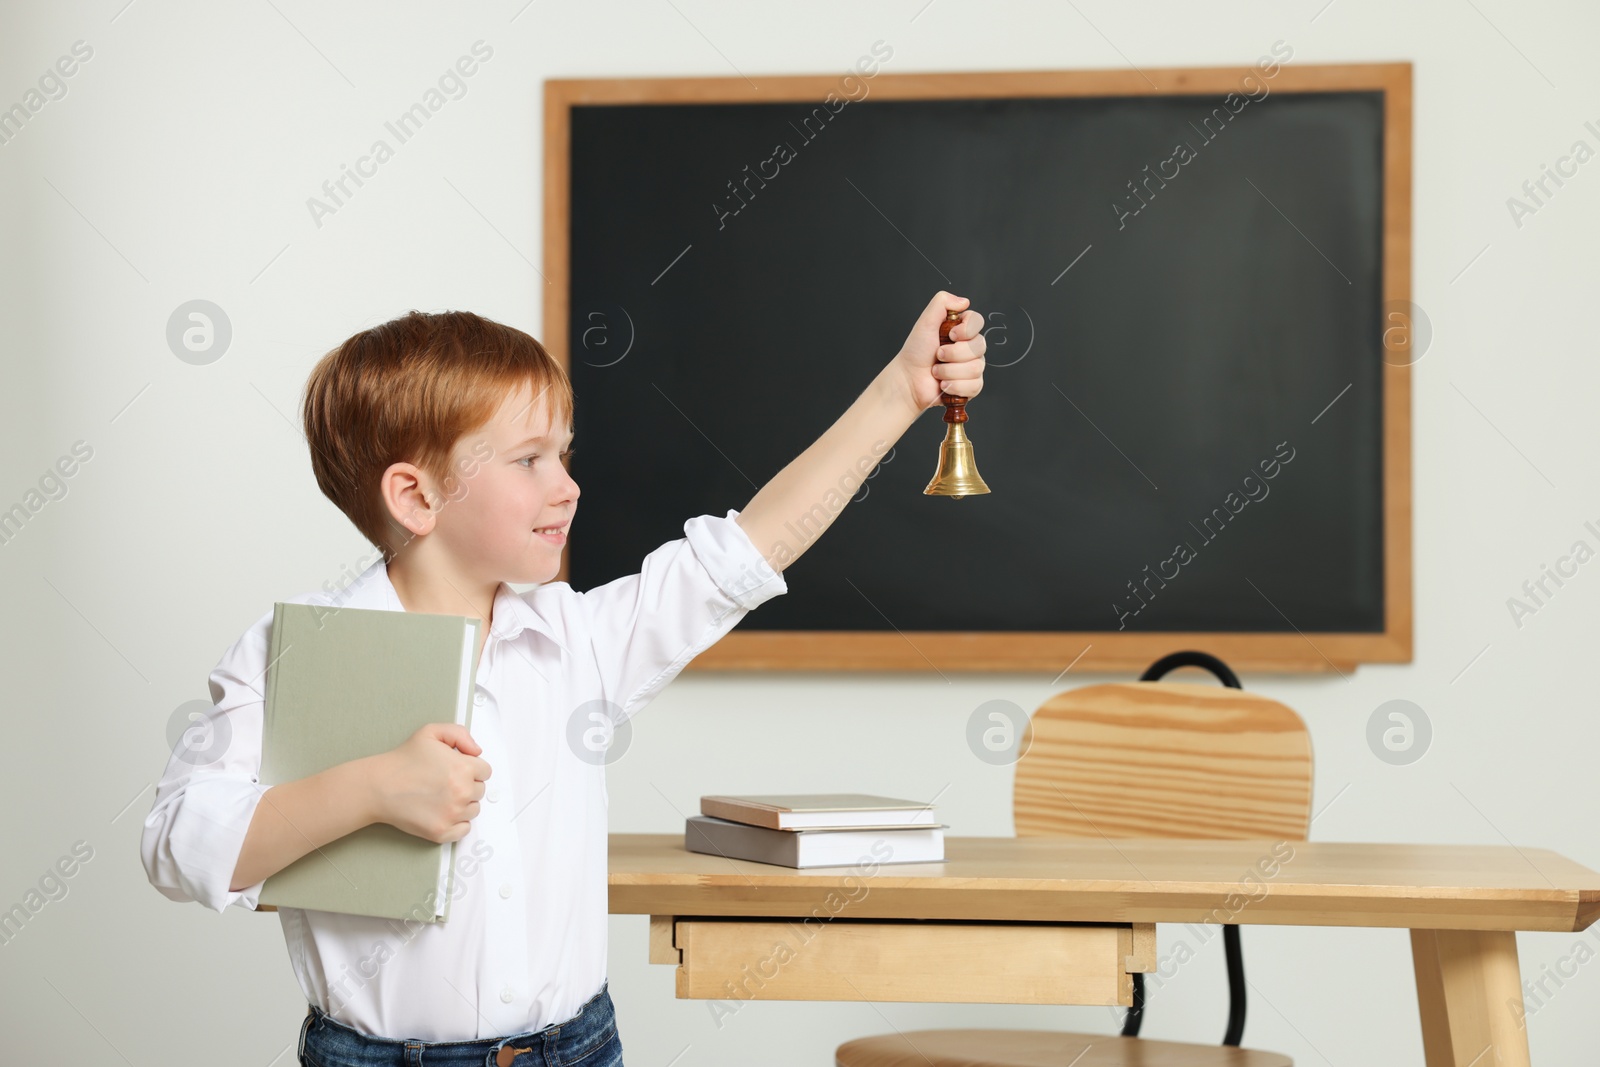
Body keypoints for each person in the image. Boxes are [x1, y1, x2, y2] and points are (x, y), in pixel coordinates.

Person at [139, 292, 986, 1066]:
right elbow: (178, 843)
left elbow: (744, 552)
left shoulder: (578, 640)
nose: (569, 485)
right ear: (416, 495)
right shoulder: (299, 653)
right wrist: (369, 790)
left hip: (576, 1049)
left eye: (564, 454)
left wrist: (901, 393)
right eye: (529, 460)